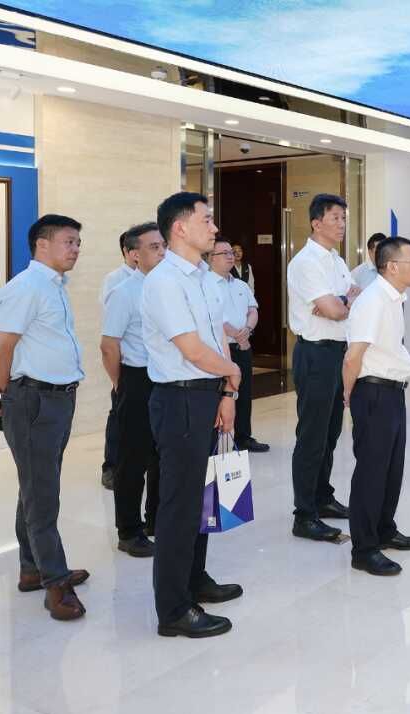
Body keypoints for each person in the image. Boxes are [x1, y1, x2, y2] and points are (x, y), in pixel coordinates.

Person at [0, 215, 89, 621]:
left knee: (36, 486)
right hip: (34, 401)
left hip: (56, 398)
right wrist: (7, 389)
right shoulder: (26, 287)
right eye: (69, 241)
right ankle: (55, 583)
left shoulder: (53, 286)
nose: (76, 249)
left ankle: (31, 568)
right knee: (42, 495)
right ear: (42, 244)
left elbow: (29, 348)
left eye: (78, 242)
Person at [141, 192, 243, 638]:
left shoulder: (203, 278)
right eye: (207, 219)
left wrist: (227, 392)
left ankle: (194, 579)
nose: (215, 228)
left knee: (203, 498)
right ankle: (173, 609)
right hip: (179, 399)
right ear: (180, 227)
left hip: (208, 394)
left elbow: (217, 339)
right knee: (179, 507)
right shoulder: (164, 281)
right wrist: (232, 372)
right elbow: (192, 350)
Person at [342, 236, 410, 576]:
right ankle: (363, 549)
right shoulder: (373, 301)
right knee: (371, 473)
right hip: (373, 393)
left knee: (392, 469)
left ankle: (384, 530)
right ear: (392, 266)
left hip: (392, 392)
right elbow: (353, 356)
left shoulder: (394, 298)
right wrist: (349, 395)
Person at [288, 193, 360, 541]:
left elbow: (350, 299)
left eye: (344, 218)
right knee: (312, 436)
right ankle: (304, 515)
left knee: (330, 432)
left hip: (337, 353)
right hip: (315, 354)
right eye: (335, 218)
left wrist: (340, 303)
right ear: (316, 223)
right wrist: (341, 303)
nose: (342, 224)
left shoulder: (336, 259)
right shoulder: (306, 262)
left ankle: (322, 497)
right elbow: (334, 310)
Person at [100, 222, 165, 558]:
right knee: (132, 459)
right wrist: (120, 383)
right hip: (137, 379)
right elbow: (109, 345)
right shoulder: (124, 292)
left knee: (161, 456)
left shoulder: (167, 287)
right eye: (154, 247)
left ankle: (156, 520)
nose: (162, 252)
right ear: (135, 255)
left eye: (163, 245)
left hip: (166, 379)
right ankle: (128, 530)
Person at [209, 238, 269, 453]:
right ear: (210, 258)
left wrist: (247, 330)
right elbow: (211, 317)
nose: (230, 256)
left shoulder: (241, 285)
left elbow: (253, 310)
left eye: (231, 253)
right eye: (224, 253)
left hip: (242, 347)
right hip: (219, 350)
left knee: (243, 394)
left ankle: (243, 437)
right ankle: (214, 442)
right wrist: (236, 333)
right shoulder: (205, 285)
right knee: (217, 396)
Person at [99, 233, 138, 491]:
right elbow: (111, 327)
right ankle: (111, 467)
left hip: (150, 365)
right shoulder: (115, 280)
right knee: (118, 416)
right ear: (128, 251)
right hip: (124, 361)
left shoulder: (155, 278)